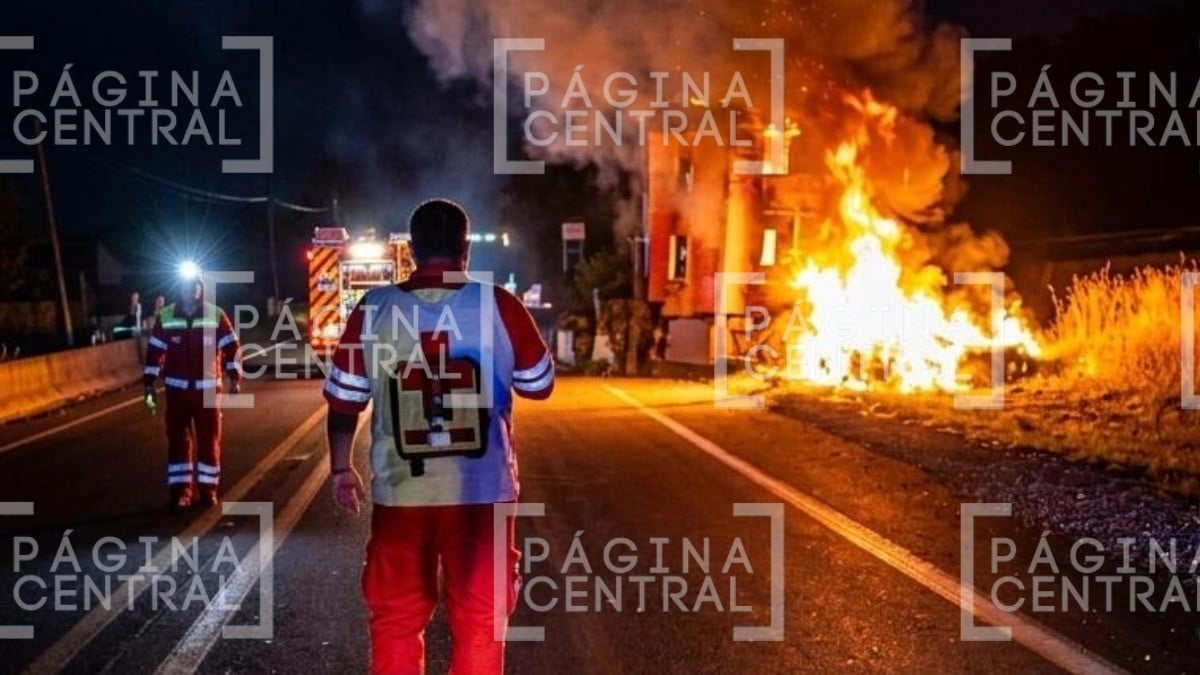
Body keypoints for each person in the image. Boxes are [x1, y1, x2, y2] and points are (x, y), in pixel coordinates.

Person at [324, 199, 554, 675]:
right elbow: (539, 385)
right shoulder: (500, 305)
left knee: (396, 620)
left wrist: (342, 469)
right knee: (481, 623)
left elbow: (345, 402)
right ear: (465, 249)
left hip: (403, 493)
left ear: (410, 250)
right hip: (482, 493)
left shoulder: (374, 308)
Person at [143, 266, 242, 511]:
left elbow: (232, 347)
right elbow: (155, 351)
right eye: (189, 286)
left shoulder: (215, 315)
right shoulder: (166, 317)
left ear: (201, 288)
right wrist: (149, 383)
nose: (193, 290)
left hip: (208, 392)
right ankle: (181, 493)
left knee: (209, 442)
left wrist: (234, 377)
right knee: (178, 442)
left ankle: (208, 492)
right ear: (182, 289)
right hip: (177, 393)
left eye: (197, 285)